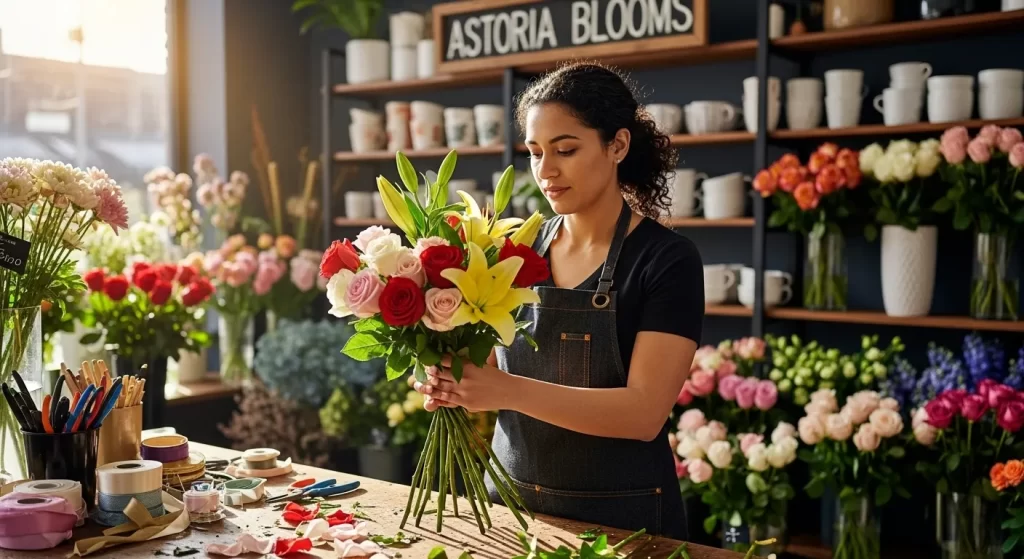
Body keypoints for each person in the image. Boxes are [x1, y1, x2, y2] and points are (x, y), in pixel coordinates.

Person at [411, 62, 704, 539]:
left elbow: (643, 413)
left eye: (566, 150)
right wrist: (450, 379)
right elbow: (479, 362)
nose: (546, 171)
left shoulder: (667, 260)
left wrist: (504, 389)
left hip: (624, 527)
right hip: (509, 510)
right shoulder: (514, 251)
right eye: (534, 152)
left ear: (618, 145)